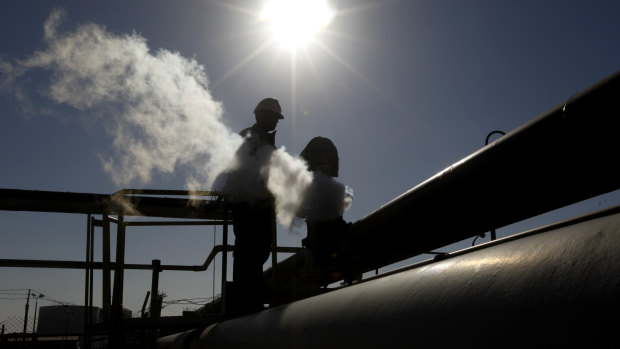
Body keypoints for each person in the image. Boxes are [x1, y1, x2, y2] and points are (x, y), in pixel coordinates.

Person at [223, 97, 283, 314]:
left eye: (277, 118)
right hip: (249, 208)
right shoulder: (249, 137)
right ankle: (245, 305)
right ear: (260, 115)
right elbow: (239, 170)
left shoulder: (268, 141)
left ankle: (251, 302)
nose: (276, 122)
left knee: (257, 256)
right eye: (273, 117)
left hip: (262, 209)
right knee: (248, 255)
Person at [298, 136, 354, 285]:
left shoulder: (317, 188)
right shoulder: (334, 188)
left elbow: (301, 211)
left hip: (321, 246)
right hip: (331, 240)